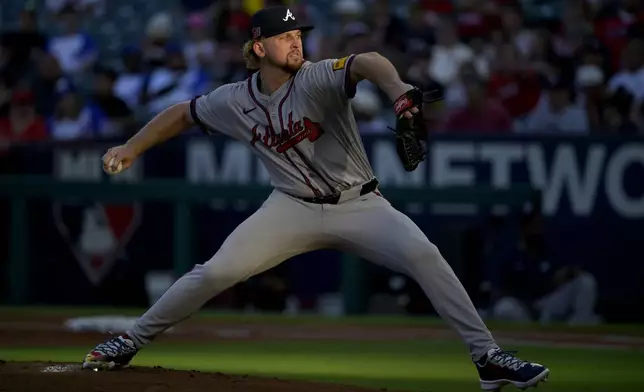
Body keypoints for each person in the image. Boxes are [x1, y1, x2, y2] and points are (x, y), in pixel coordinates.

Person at [82, 6, 550, 391]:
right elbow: (183, 113)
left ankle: (487, 357)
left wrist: (399, 93)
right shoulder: (234, 100)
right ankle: (128, 341)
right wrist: (130, 147)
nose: (296, 42)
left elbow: (367, 61)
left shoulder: (318, 77)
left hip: (360, 204)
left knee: (425, 255)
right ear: (259, 47)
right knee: (217, 271)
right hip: (291, 207)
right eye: (285, 36)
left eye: (299, 34)